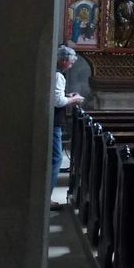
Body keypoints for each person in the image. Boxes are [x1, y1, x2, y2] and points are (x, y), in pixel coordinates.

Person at [51, 45, 83, 209]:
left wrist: (66, 95)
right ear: (64, 61)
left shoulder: (55, 72)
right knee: (56, 158)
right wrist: (74, 99)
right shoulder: (58, 75)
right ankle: (47, 197)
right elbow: (58, 102)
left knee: (54, 158)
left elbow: (56, 95)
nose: (71, 66)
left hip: (54, 121)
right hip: (54, 122)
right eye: (70, 63)